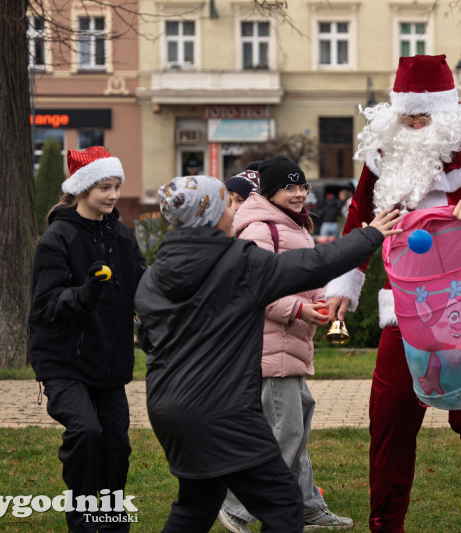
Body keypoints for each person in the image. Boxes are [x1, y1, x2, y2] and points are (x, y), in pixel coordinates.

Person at [322, 54, 461, 532]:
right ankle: (386, 525)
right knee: (389, 420)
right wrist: (346, 280)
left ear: (446, 111)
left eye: (422, 117)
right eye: (406, 116)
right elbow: (360, 214)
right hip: (406, 309)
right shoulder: (385, 149)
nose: (413, 124)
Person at [135, 175, 400, 532]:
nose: (236, 209)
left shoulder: (154, 275)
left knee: (196, 504)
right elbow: (313, 264)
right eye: (227, 204)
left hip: (168, 411)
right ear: (211, 215)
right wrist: (370, 236)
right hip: (223, 411)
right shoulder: (238, 263)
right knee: (283, 506)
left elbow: (146, 337)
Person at [218, 156, 353, 532]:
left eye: (301, 187)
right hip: (269, 347)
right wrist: (298, 309)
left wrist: (328, 299)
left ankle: (307, 506)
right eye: (288, 188)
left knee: (296, 423)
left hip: (288, 345)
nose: (297, 194)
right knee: (284, 431)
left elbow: (305, 275)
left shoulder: (293, 224)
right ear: (270, 191)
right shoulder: (261, 229)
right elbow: (254, 288)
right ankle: (236, 505)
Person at [29, 146, 148, 533]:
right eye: (104, 188)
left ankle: (112, 521)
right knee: (86, 432)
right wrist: (88, 292)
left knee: (116, 445)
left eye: (117, 186)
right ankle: (81, 516)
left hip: (108, 363)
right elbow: (47, 303)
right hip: (64, 360)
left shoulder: (122, 234)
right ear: (82, 189)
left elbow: (143, 284)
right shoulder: (57, 238)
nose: (113, 196)